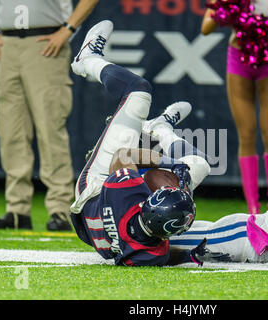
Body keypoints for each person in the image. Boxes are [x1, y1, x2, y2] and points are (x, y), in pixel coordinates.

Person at [68, 20, 229, 266]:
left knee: (138, 91)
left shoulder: (124, 191)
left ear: (147, 201)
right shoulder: (149, 253)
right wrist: (189, 255)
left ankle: (87, 59)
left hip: (95, 189)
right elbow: (163, 254)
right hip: (109, 231)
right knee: (200, 165)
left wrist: (171, 164)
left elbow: (123, 156)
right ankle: (161, 128)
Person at [0, 0, 100, 231]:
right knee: (11, 131)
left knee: (50, 129)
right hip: (7, 45)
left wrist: (67, 30)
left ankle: (60, 208)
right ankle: (17, 209)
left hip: (45, 43)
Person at [201, 0, 268, 214]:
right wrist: (225, 10)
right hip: (238, 58)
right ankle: (252, 208)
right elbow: (206, 28)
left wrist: (250, 25)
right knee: (247, 133)